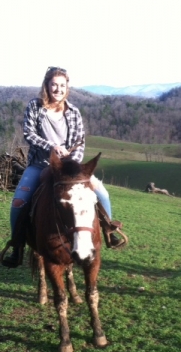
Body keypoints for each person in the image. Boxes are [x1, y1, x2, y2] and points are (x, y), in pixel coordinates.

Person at [2, 66, 124, 268]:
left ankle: (109, 232)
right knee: (19, 201)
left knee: (102, 194)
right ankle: (17, 246)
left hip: (70, 169)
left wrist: (70, 162)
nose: (57, 89)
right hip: (39, 164)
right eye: (54, 85)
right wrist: (52, 147)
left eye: (62, 85)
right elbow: (28, 134)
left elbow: (80, 140)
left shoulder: (73, 111)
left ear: (67, 87)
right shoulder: (35, 106)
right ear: (47, 86)